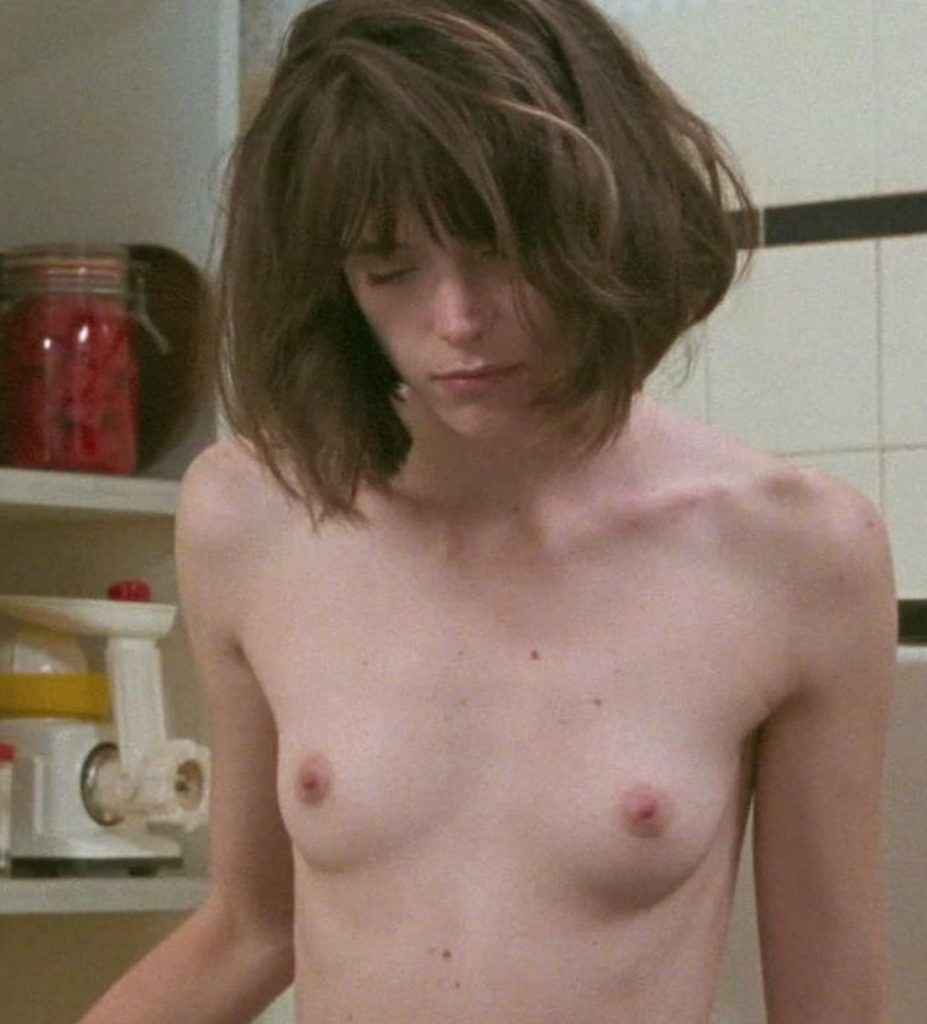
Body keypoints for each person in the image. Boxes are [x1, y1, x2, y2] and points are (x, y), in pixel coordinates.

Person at [80, 1, 897, 1022]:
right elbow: (253, 925)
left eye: (502, 250)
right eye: (390, 269)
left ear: (604, 223)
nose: (456, 320)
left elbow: (832, 1001)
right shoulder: (250, 518)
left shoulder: (795, 553)